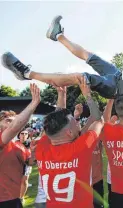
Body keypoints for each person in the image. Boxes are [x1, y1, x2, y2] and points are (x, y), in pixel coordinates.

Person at [2, 16, 123, 111]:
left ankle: (26, 74)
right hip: (117, 74)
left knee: (82, 77)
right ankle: (57, 35)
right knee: (90, 56)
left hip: (118, 88)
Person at [30, 76, 104, 208]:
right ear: (69, 133)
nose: (76, 122)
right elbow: (99, 120)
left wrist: (62, 94)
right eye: (74, 121)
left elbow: (55, 122)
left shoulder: (42, 148)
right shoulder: (82, 147)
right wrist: (87, 95)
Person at [0, 84, 40, 208]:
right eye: (7, 120)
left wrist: (33, 152)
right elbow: (14, 127)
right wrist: (34, 103)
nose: (12, 123)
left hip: (14, 199)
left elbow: (30, 163)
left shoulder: (19, 145)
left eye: (13, 120)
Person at [16, 129, 33, 203]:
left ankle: (21, 198)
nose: (23, 135)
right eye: (22, 133)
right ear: (19, 135)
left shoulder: (30, 144)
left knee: (24, 181)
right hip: (16, 164)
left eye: (26, 134)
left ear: (28, 136)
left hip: (26, 164)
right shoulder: (15, 143)